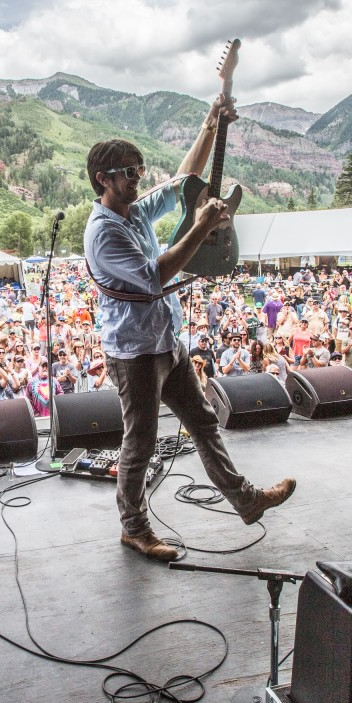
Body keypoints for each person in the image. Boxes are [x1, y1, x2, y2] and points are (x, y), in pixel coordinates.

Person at [83, 96, 295, 562]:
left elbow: (183, 181)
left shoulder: (134, 211)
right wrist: (201, 226)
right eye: (129, 172)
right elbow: (154, 275)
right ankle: (133, 528)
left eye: (140, 170)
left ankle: (245, 500)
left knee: (202, 421)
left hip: (165, 340)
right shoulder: (104, 232)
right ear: (103, 179)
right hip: (134, 352)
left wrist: (210, 124)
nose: (139, 178)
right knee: (139, 441)